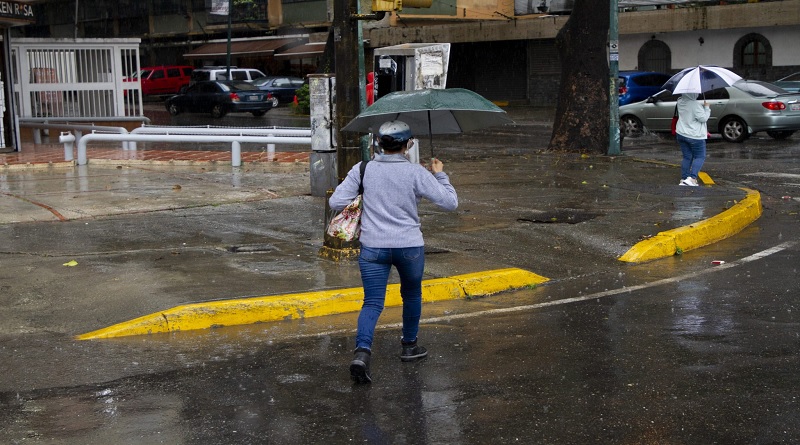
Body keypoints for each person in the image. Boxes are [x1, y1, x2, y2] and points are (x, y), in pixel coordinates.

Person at [328, 120, 459, 384]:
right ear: (408, 145)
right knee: (411, 295)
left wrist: (365, 194)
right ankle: (409, 346)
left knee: (373, 302)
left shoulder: (363, 169)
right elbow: (450, 203)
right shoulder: (416, 172)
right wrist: (440, 174)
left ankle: (362, 354)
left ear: (377, 143)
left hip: (373, 247)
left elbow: (335, 201)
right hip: (409, 247)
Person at [675, 92, 711, 186]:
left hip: (681, 133)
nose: (698, 94)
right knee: (700, 157)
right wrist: (706, 108)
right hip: (695, 135)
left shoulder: (680, 101)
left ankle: (684, 179)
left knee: (687, 157)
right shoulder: (695, 104)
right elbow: (703, 118)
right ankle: (692, 178)